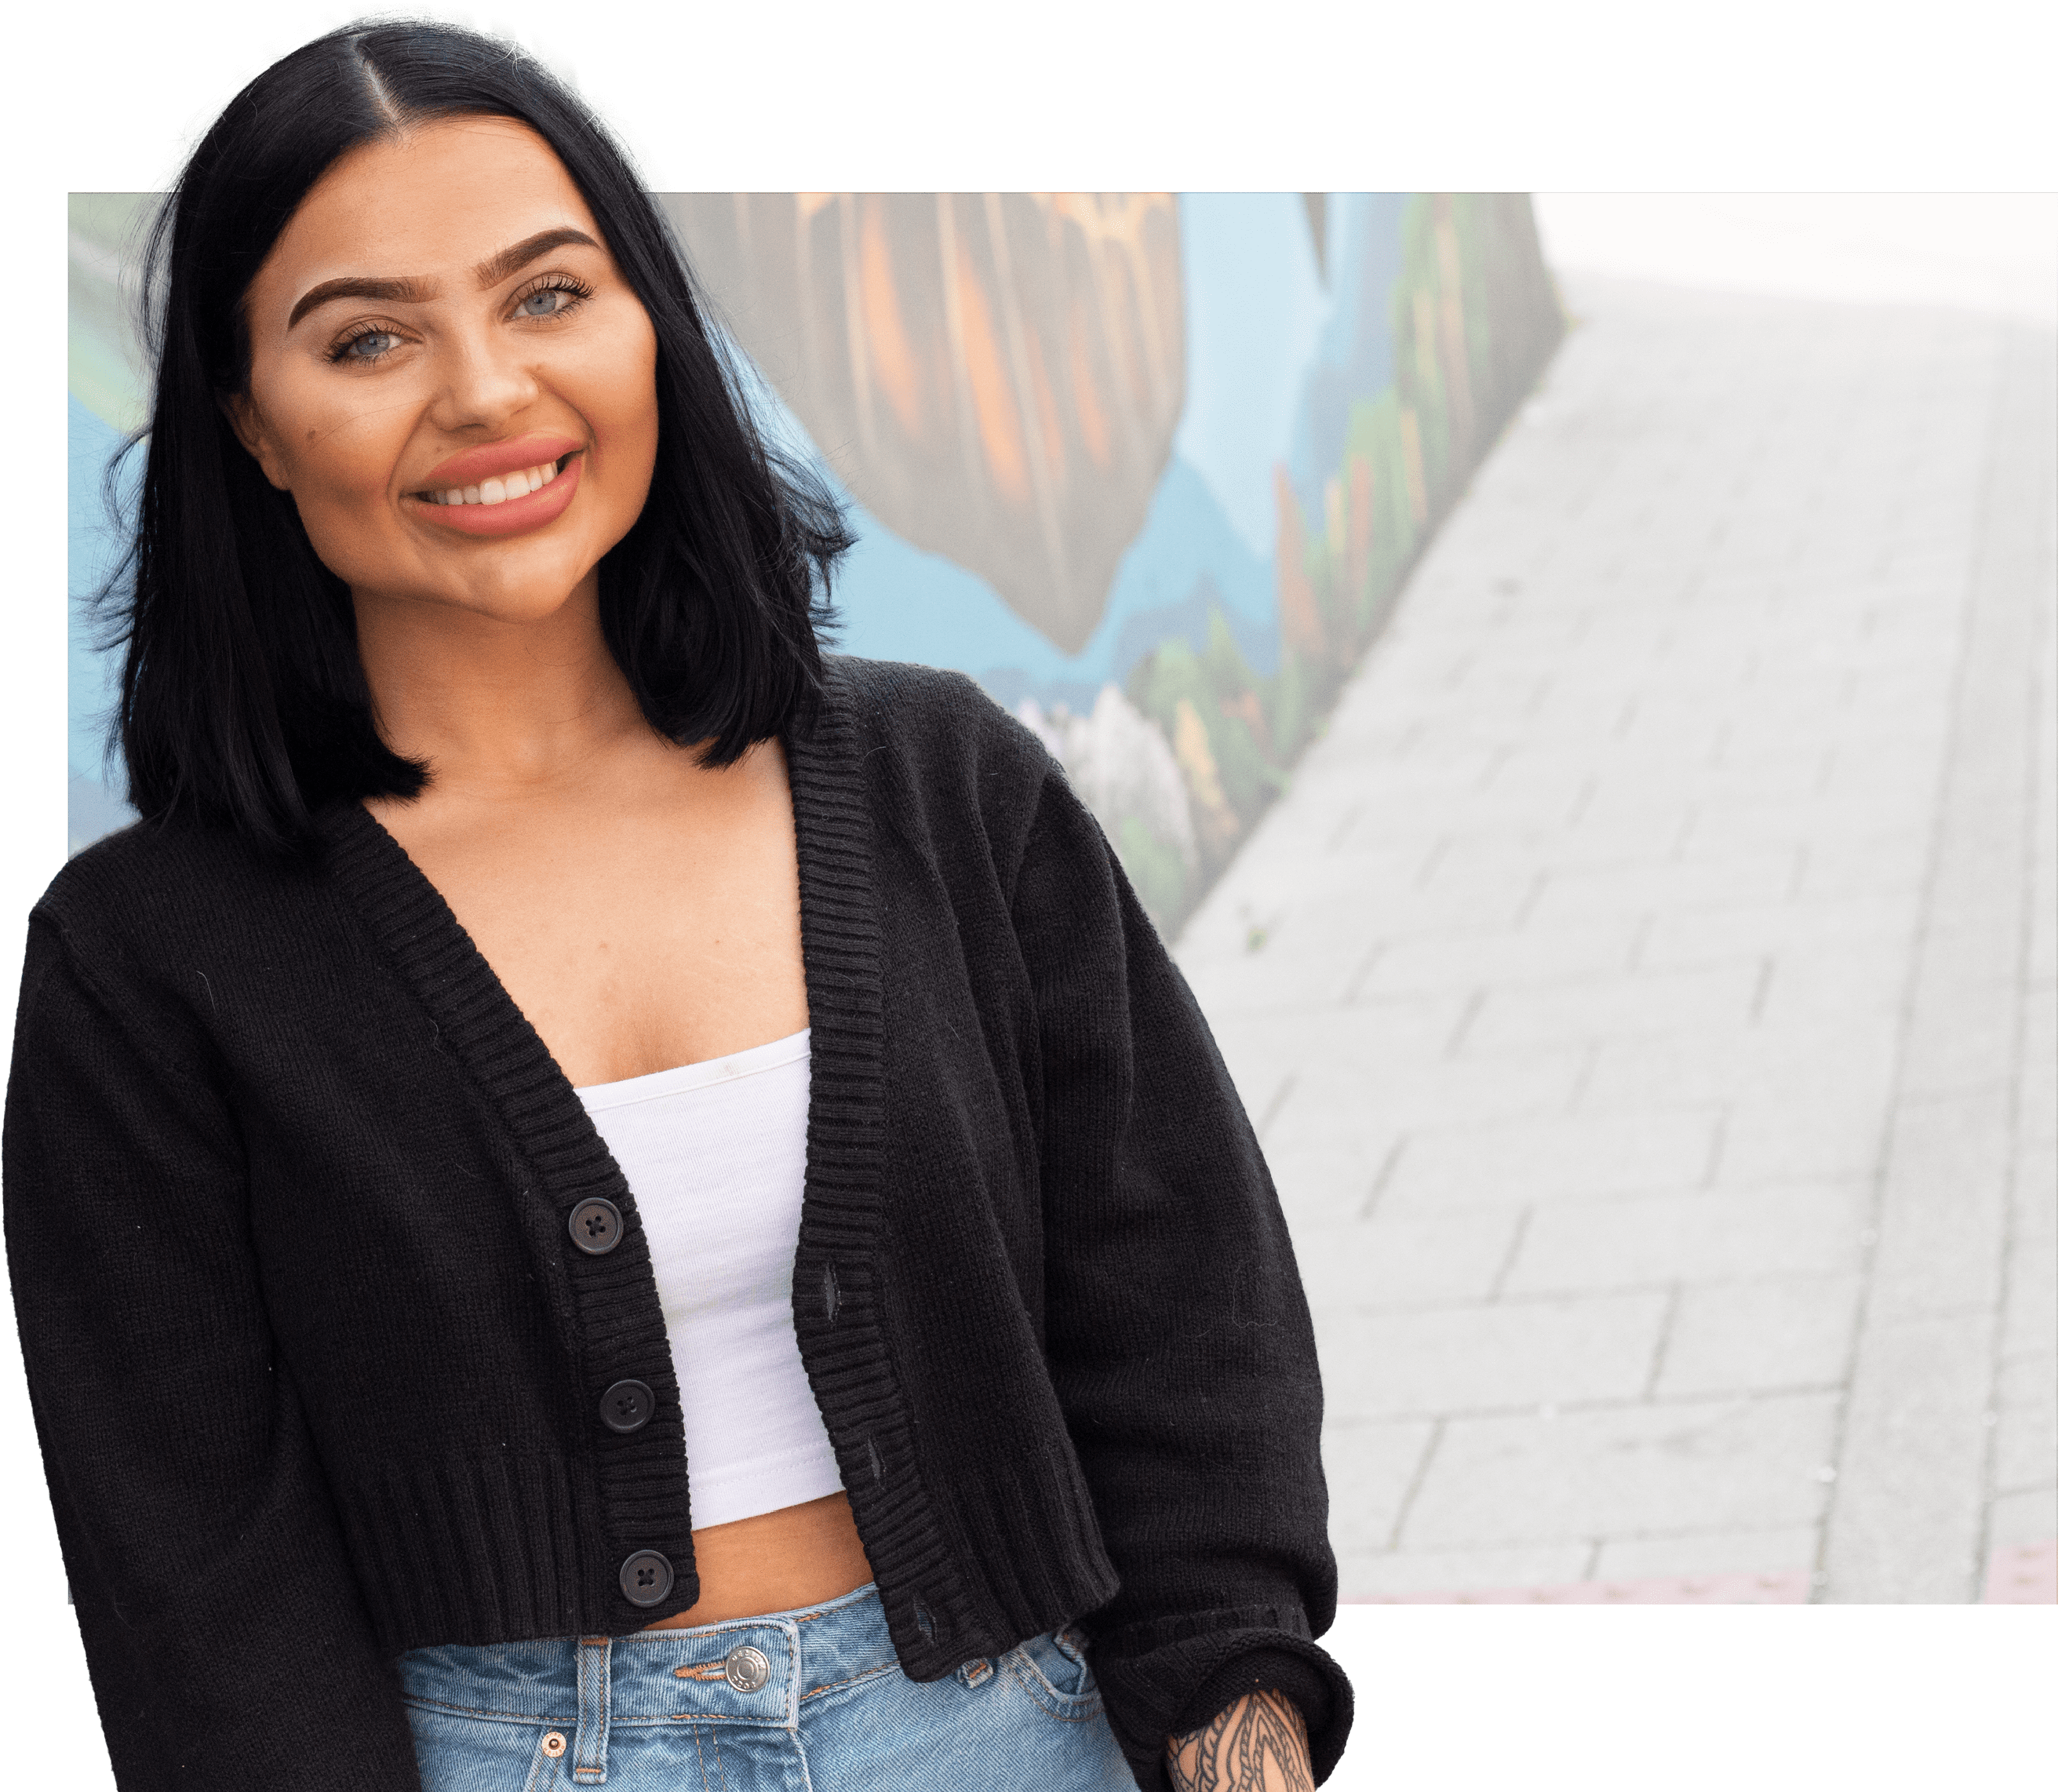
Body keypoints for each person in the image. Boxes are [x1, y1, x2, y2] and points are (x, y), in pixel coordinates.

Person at [8, 19, 1349, 1792]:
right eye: (370, 337)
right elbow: (196, 1572)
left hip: (1008, 1732)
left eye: (549, 294)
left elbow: (1183, 1307)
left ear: (650, 324)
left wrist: (1229, 1726)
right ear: (254, 422)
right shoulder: (146, 964)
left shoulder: (942, 786)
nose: (485, 391)